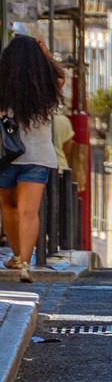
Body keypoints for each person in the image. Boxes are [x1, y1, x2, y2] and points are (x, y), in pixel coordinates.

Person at [0, 35, 64, 282]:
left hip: (6, 157)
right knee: (29, 211)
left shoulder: (4, 87)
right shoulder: (47, 87)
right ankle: (26, 263)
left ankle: (16, 256)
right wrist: (46, 55)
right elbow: (61, 76)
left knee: (9, 208)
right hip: (38, 157)